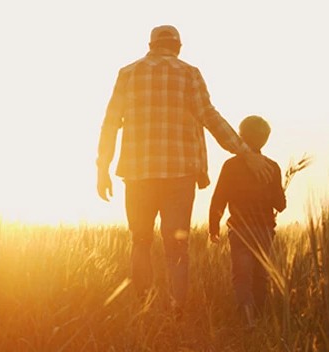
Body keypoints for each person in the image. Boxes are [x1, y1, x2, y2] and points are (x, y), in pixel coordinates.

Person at [96, 25, 273, 315]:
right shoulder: (189, 73)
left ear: (150, 45)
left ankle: (145, 306)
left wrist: (102, 167)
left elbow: (110, 122)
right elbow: (210, 117)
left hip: (138, 174)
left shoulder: (127, 73)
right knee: (177, 245)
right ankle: (177, 309)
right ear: (178, 47)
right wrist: (245, 151)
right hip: (180, 175)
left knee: (140, 240)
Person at [209, 115, 286, 325]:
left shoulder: (231, 166)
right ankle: (260, 315)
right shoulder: (272, 167)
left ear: (241, 136)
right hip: (264, 230)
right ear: (265, 139)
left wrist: (213, 226)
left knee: (242, 275)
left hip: (240, 230)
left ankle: (247, 319)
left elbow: (219, 198)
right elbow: (281, 205)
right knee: (261, 275)